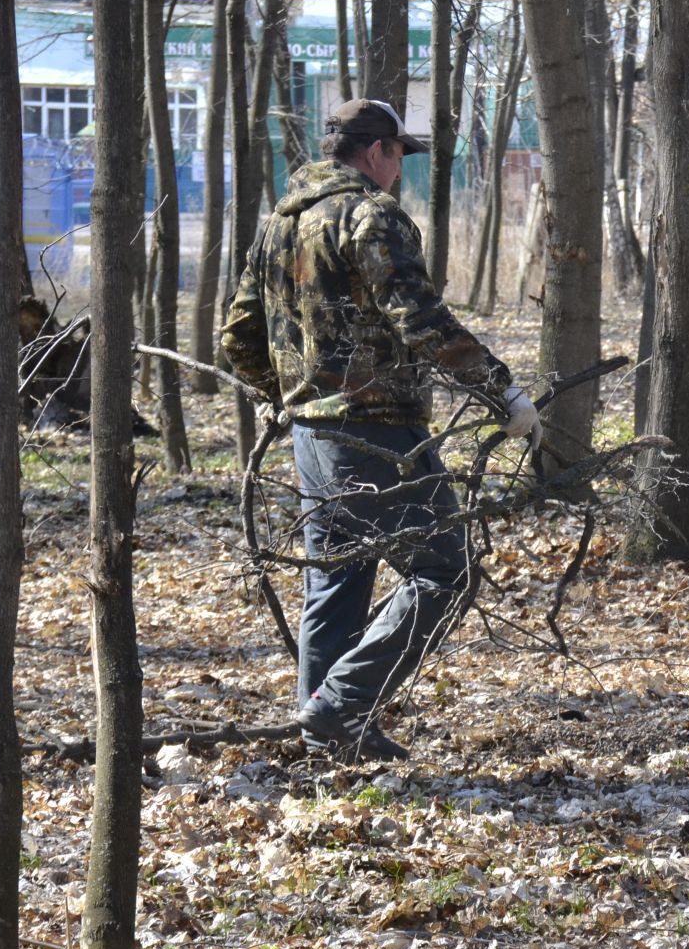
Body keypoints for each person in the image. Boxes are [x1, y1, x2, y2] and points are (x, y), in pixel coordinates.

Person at [222, 99, 538, 762]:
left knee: (336, 582)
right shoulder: (373, 215)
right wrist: (500, 390)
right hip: (377, 434)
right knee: (444, 573)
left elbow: (238, 337)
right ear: (376, 153)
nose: (400, 171)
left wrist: (290, 399)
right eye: (399, 156)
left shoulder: (279, 226)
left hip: (313, 436)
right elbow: (421, 321)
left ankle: (327, 734)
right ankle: (338, 710)